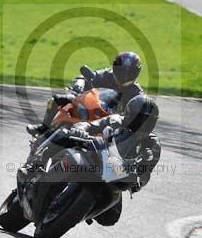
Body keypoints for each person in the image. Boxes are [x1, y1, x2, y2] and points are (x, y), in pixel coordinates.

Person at [66, 94, 161, 226]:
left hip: (116, 174)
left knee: (110, 217)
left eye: (146, 120)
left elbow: (146, 171)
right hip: (94, 156)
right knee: (63, 138)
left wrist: (138, 179)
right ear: (129, 114)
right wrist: (81, 130)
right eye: (138, 118)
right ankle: (38, 165)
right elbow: (91, 125)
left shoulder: (152, 143)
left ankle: (80, 210)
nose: (141, 123)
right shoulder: (115, 120)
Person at [26, 51, 144, 136]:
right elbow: (87, 76)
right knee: (55, 100)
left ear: (136, 72)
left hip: (107, 123)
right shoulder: (107, 75)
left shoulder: (136, 93)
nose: (123, 76)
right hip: (89, 109)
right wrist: (78, 85)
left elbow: (140, 114)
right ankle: (43, 127)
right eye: (120, 71)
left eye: (128, 72)